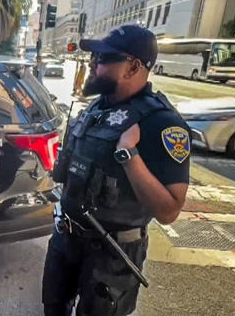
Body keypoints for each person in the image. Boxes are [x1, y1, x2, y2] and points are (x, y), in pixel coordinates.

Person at [42, 25, 190, 316]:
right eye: (95, 55)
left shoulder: (161, 123)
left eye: (105, 57)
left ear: (133, 66)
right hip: (68, 237)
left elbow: (169, 210)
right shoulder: (97, 108)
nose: (94, 62)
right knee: (53, 307)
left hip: (111, 255)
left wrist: (129, 154)